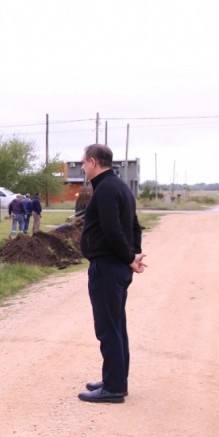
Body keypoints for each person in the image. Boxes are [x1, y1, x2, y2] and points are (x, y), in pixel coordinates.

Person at [77, 144, 146, 404]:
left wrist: (130, 258)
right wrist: (134, 255)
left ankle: (114, 388)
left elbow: (113, 230)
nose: (82, 168)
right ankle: (115, 380)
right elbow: (135, 227)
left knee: (108, 329)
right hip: (117, 267)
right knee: (116, 326)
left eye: (83, 163)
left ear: (93, 162)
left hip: (107, 268)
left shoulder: (105, 189)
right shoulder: (120, 187)